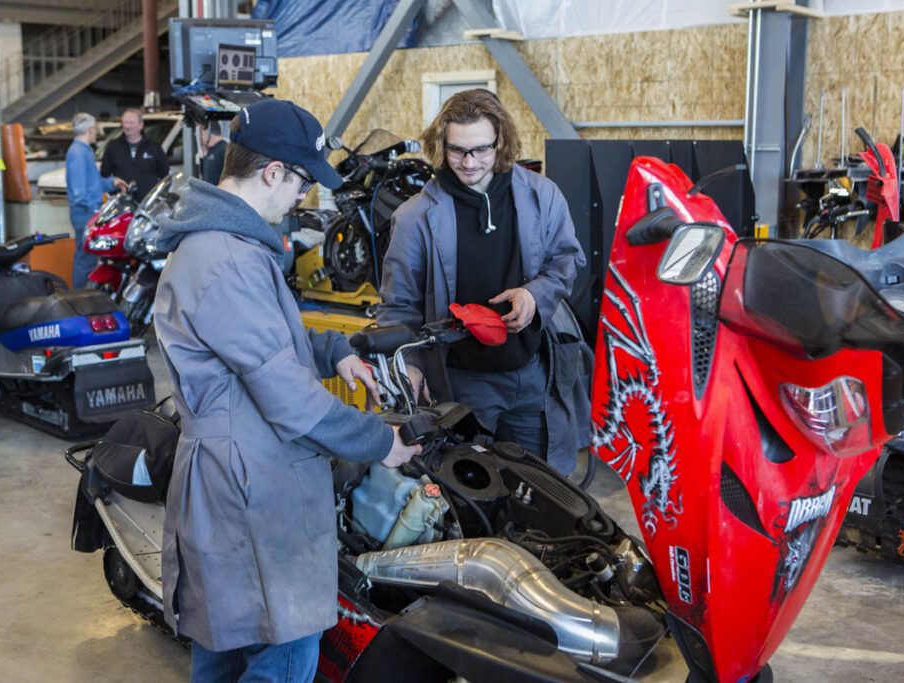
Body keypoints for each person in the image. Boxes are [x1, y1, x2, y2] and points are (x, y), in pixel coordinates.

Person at [152, 98, 421, 682]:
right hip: (251, 487)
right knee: (285, 652)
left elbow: (264, 340)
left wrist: (333, 351)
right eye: (302, 181)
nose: (304, 195)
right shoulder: (224, 258)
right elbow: (289, 399)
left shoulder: (228, 246)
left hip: (235, 480)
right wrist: (381, 441)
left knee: (224, 645)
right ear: (273, 171)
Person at [378, 88, 589, 476]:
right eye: (457, 150)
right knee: (471, 492)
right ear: (441, 145)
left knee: (541, 489)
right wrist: (410, 366)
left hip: (531, 374)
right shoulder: (415, 218)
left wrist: (534, 294)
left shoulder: (542, 196)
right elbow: (398, 305)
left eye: (481, 150)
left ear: (502, 141)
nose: (469, 162)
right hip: (461, 382)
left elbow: (567, 259)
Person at [66, 112, 127, 288]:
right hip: (85, 214)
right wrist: (94, 210)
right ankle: (79, 298)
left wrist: (111, 182)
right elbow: (79, 192)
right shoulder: (78, 153)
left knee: (88, 258)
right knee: (85, 259)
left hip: (86, 213)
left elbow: (92, 183)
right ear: (90, 129)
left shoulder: (83, 151)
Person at [100, 107, 169, 200]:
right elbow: (104, 174)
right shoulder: (113, 147)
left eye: (131, 123)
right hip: (121, 202)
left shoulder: (154, 147)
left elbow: (164, 174)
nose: (127, 126)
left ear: (141, 125)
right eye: (125, 122)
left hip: (148, 203)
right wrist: (114, 193)